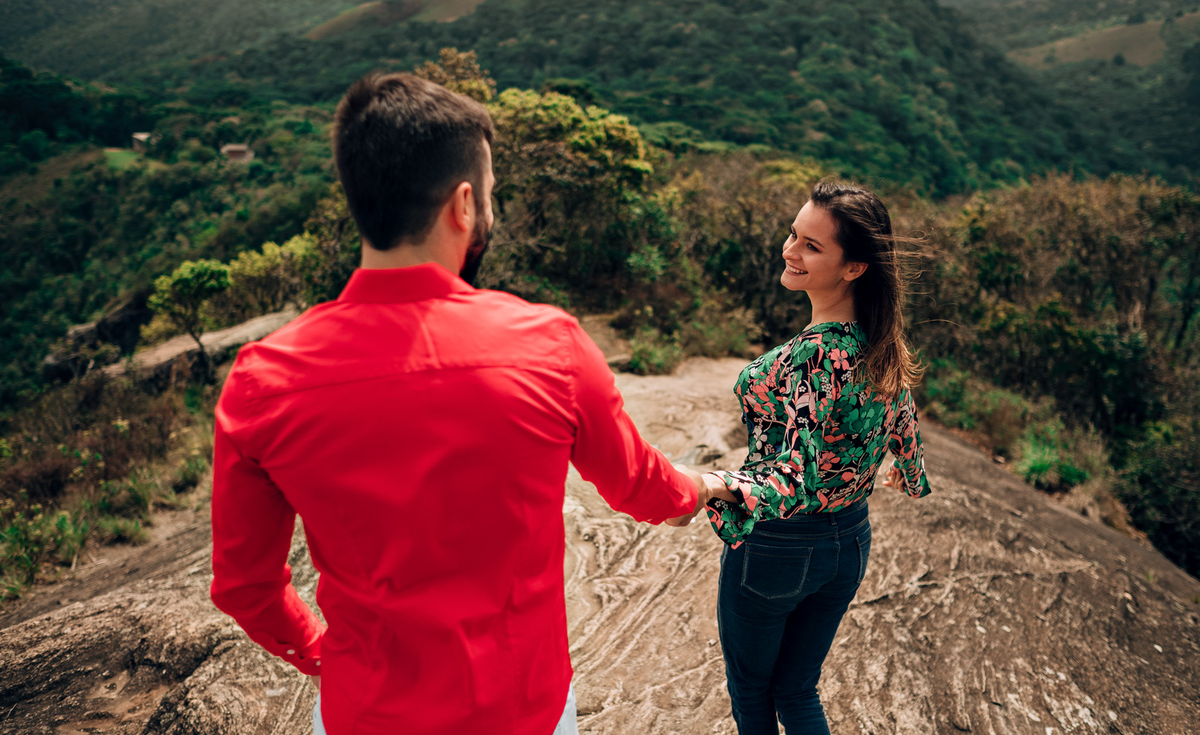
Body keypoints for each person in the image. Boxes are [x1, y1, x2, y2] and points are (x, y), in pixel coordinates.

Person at [208, 72, 712, 735]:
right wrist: (704, 488)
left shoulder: (262, 380)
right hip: (521, 712)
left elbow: (245, 586)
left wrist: (323, 651)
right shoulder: (551, 345)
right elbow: (643, 487)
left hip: (366, 712)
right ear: (465, 204)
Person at [668, 178, 932, 735]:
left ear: (854, 267)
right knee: (795, 686)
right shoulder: (880, 336)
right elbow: (902, 417)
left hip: (781, 546)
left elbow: (795, 474)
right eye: (794, 234)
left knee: (753, 690)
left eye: (812, 246)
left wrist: (710, 484)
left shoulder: (817, 352)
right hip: (848, 544)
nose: (790, 250)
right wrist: (903, 474)